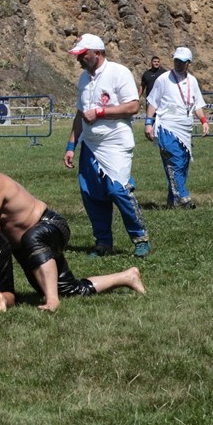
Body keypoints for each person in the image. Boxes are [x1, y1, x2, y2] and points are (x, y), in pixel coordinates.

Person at [0, 146, 146, 311]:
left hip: (48, 226)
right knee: (69, 289)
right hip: (25, 246)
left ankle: (52, 302)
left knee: (32, 238)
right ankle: (127, 277)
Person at [63, 34, 151, 259]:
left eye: (83, 54)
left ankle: (140, 238)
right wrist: (71, 145)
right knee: (91, 194)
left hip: (115, 142)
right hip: (90, 144)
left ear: (98, 53)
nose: (78, 59)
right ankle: (103, 242)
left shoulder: (119, 72)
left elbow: (133, 106)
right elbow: (80, 114)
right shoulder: (84, 79)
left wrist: (101, 112)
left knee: (118, 190)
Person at [145, 47, 210, 208]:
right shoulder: (163, 79)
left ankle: (172, 202)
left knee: (183, 164)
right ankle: (184, 197)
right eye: (176, 60)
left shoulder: (192, 81)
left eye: (182, 61)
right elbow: (152, 102)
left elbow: (196, 104)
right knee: (174, 161)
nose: (178, 64)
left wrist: (204, 121)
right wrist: (148, 123)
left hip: (184, 128)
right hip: (166, 125)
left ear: (189, 63)